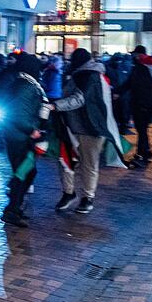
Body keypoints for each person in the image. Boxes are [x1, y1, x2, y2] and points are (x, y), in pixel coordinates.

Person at [49, 49, 109, 214]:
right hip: (71, 125)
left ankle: (87, 197)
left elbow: (80, 99)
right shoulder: (79, 74)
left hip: (91, 127)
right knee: (65, 161)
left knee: (88, 164)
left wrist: (56, 106)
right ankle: (69, 193)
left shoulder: (91, 76)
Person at [0, 52, 49, 227]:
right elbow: (18, 113)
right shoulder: (26, 86)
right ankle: (12, 210)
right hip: (20, 136)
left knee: (25, 172)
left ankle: (14, 207)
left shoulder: (23, 83)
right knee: (23, 172)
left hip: (16, 135)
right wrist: (31, 130)